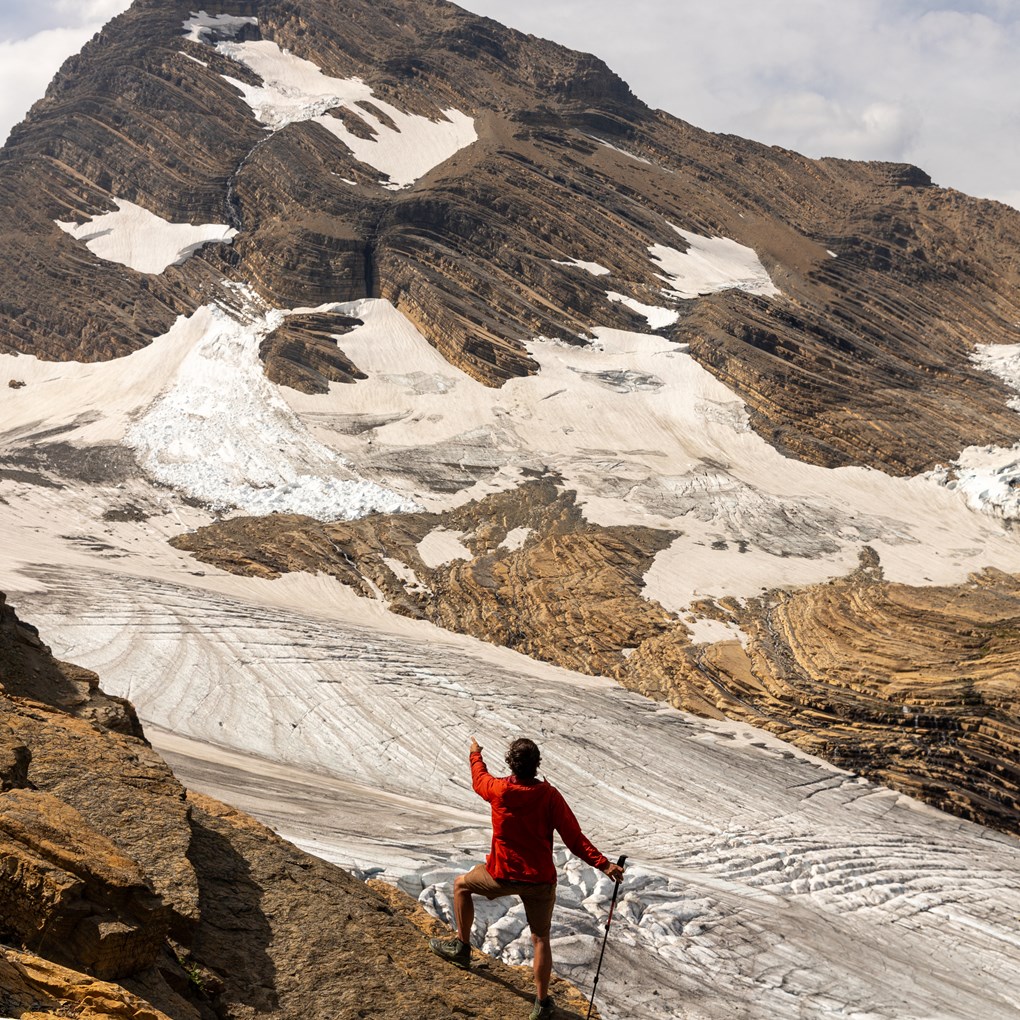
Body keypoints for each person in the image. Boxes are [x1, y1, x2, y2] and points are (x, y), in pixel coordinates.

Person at [430, 736, 625, 1020]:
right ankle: (543, 1004)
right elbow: (574, 838)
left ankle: (461, 947)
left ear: (511, 763)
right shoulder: (549, 796)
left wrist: (475, 754)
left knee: (461, 885)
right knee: (540, 939)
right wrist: (604, 865)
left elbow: (478, 778)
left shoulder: (499, 790)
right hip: (540, 881)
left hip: (502, 876)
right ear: (537, 765)